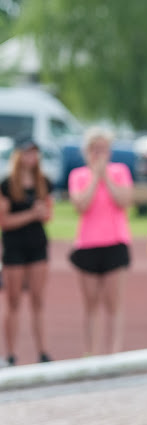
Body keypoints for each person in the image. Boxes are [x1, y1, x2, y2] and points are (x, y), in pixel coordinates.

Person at [68, 127, 133, 356]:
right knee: (91, 305)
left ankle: (114, 354)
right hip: (87, 245)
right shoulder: (78, 175)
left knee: (113, 304)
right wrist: (95, 176)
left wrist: (105, 175)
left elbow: (124, 200)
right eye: (94, 149)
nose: (99, 154)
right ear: (87, 151)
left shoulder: (120, 171)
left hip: (115, 244)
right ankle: (91, 355)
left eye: (103, 149)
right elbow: (80, 205)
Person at [0, 136, 54, 366]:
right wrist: (31, 215)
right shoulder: (7, 184)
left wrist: (42, 213)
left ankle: (42, 351)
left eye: (34, 152)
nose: (31, 157)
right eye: (27, 152)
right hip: (14, 247)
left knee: (38, 300)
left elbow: (48, 213)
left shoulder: (44, 182)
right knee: (13, 301)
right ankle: (10, 354)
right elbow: (4, 221)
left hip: (37, 245)